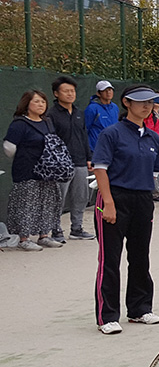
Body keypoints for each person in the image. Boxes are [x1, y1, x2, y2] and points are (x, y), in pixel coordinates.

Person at [91, 85, 159, 334]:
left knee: (140, 256)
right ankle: (107, 316)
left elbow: (154, 172)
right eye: (141, 101)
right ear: (126, 103)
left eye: (151, 102)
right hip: (114, 198)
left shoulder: (155, 138)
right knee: (110, 259)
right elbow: (100, 168)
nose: (147, 106)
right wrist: (109, 202)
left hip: (142, 201)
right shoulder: (111, 134)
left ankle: (139, 309)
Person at [3, 90, 64, 252]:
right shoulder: (19, 124)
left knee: (47, 202)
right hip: (27, 171)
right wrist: (25, 158)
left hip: (49, 172)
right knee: (27, 204)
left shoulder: (47, 122)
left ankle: (44, 235)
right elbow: (9, 147)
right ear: (26, 103)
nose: (40, 104)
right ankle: (24, 238)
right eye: (36, 101)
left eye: (43, 101)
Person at [48, 76, 93, 242]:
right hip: (60, 164)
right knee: (58, 197)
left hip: (80, 161)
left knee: (81, 196)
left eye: (72, 91)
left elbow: (84, 136)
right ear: (56, 93)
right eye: (66, 91)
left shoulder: (79, 113)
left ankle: (77, 228)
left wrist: (89, 158)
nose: (70, 94)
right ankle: (55, 230)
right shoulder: (51, 114)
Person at [85, 80, 120, 151]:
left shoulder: (115, 107)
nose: (108, 92)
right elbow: (85, 129)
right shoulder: (92, 108)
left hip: (113, 149)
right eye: (104, 90)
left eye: (110, 90)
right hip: (96, 150)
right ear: (98, 93)